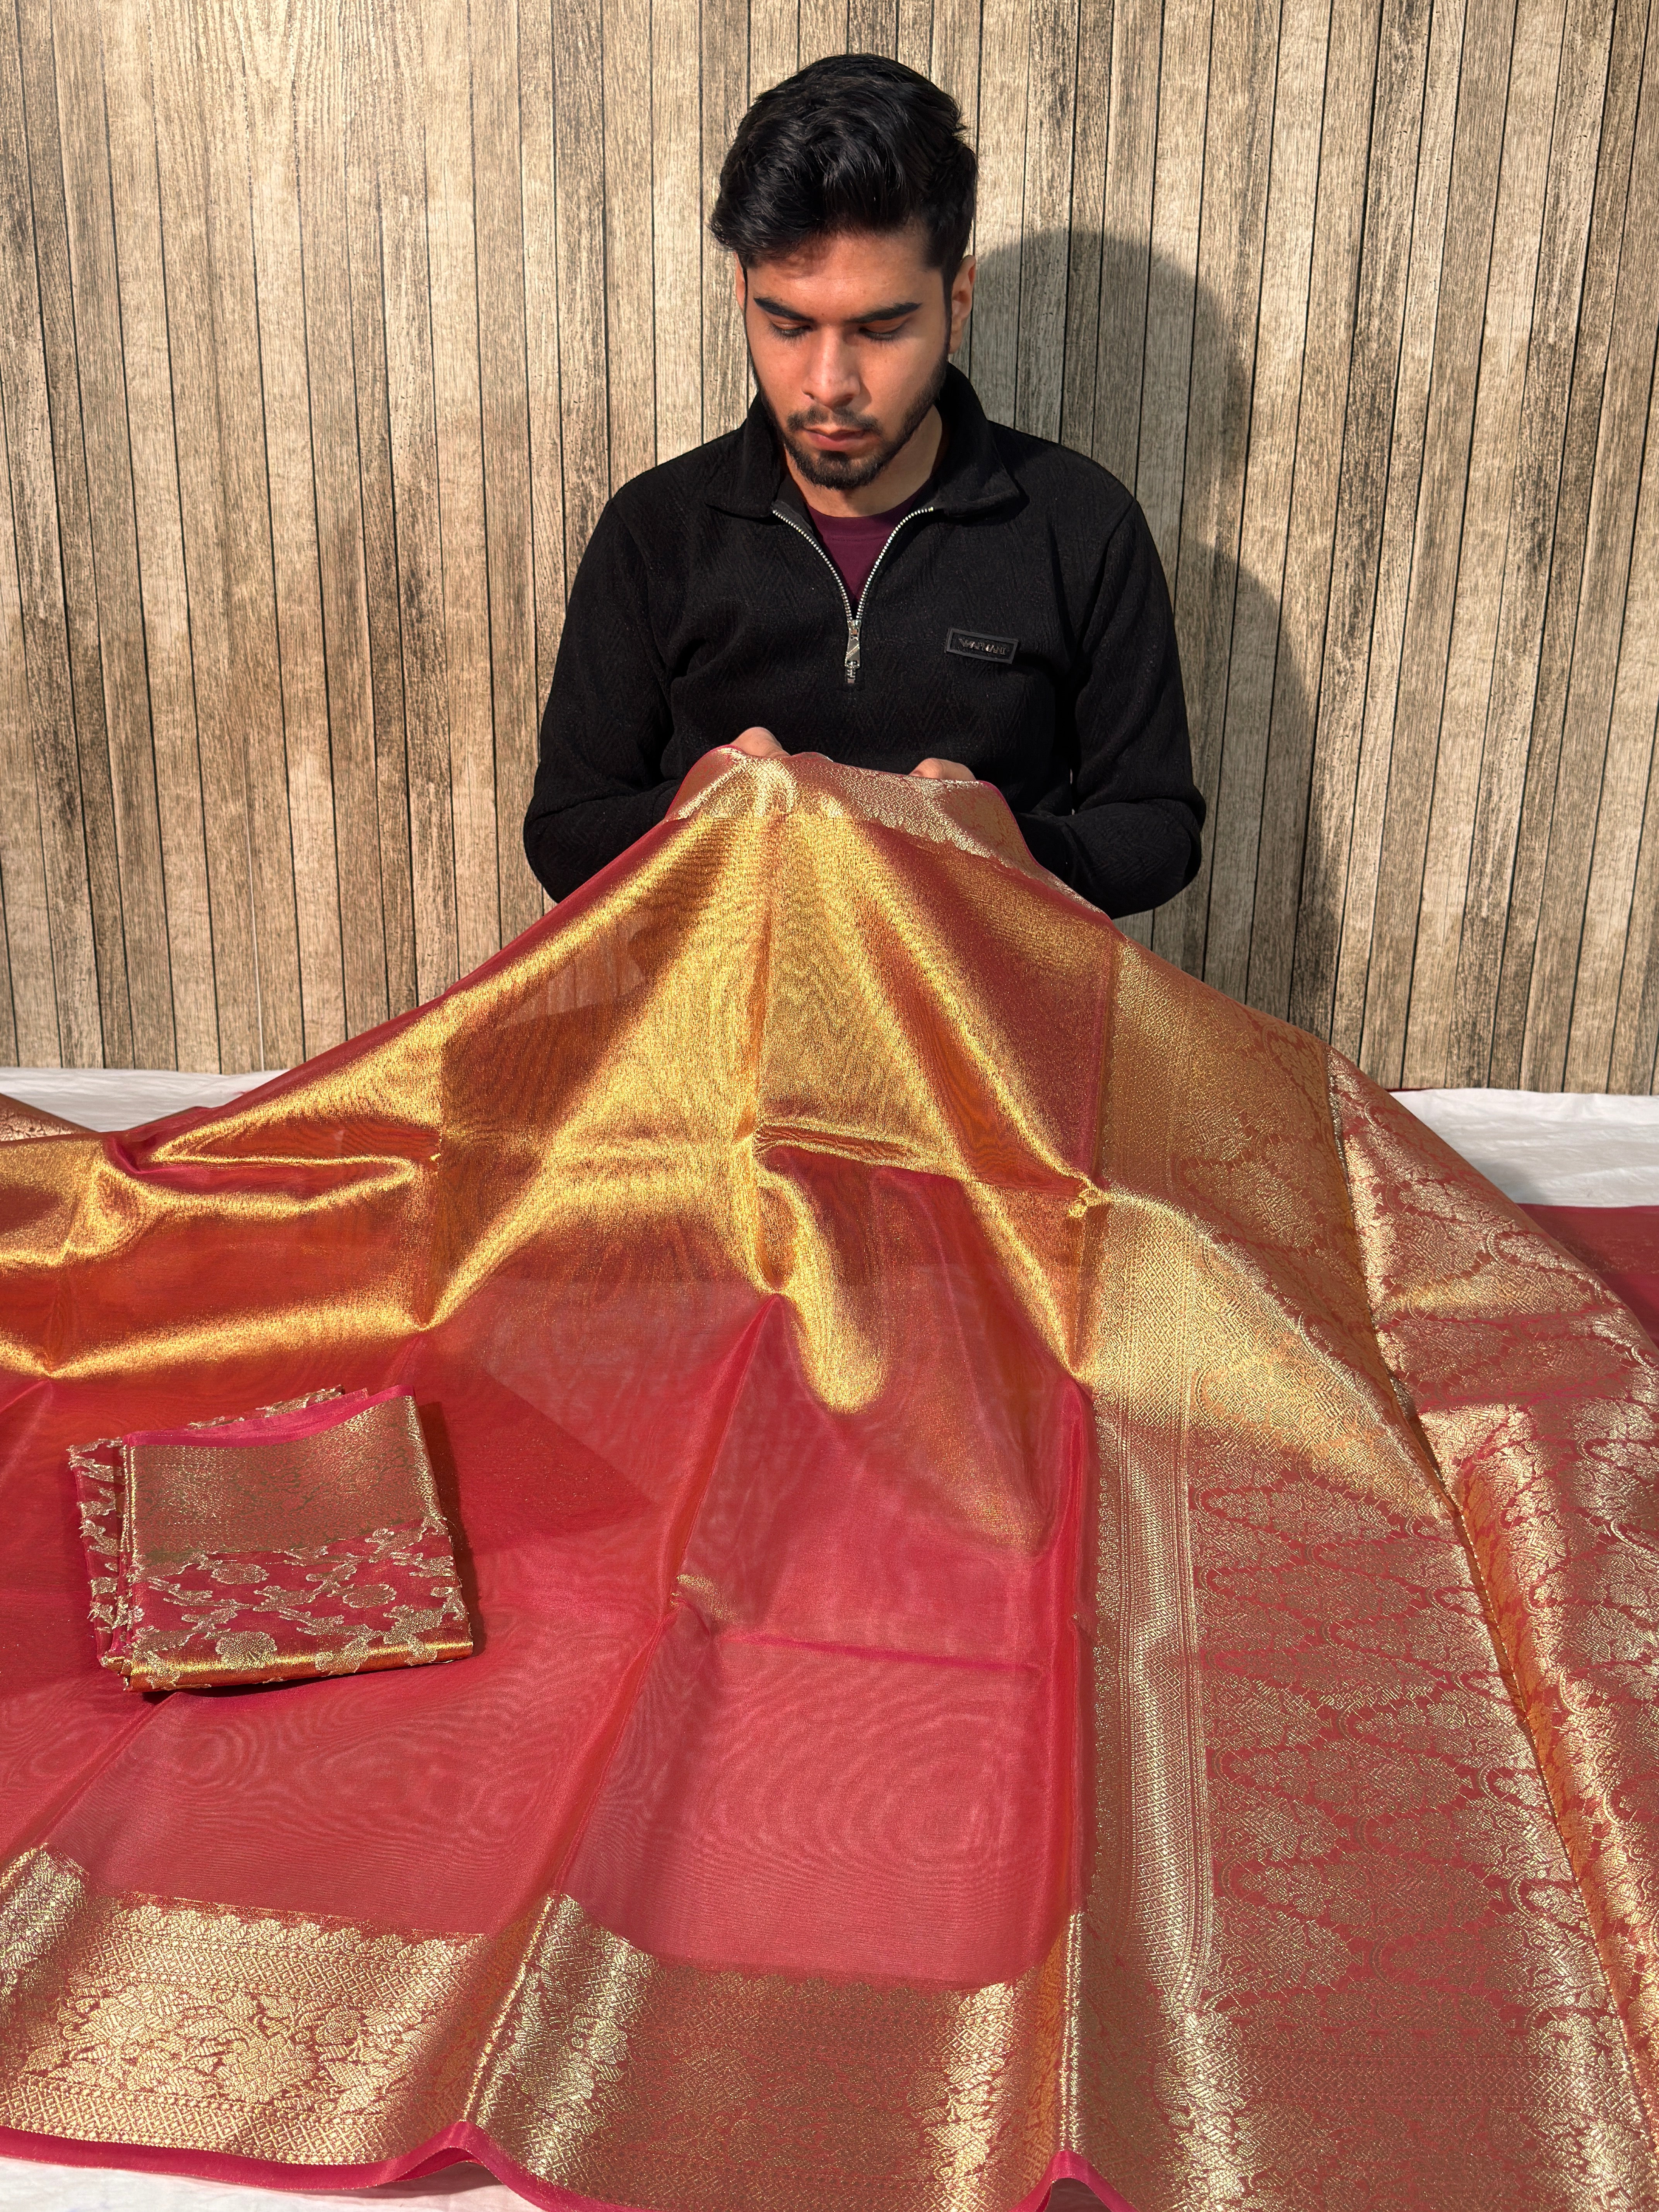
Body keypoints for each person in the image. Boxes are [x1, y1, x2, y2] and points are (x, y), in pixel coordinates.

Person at [523, 53, 1204, 918]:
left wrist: (1003, 842)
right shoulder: (654, 531)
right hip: (719, 1033)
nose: (828, 381)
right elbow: (562, 827)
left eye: (880, 328)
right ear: (739, 292)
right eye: (786, 324)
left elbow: (1157, 824)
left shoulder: (1081, 525)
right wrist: (701, 813)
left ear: (956, 302)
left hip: (979, 1033)